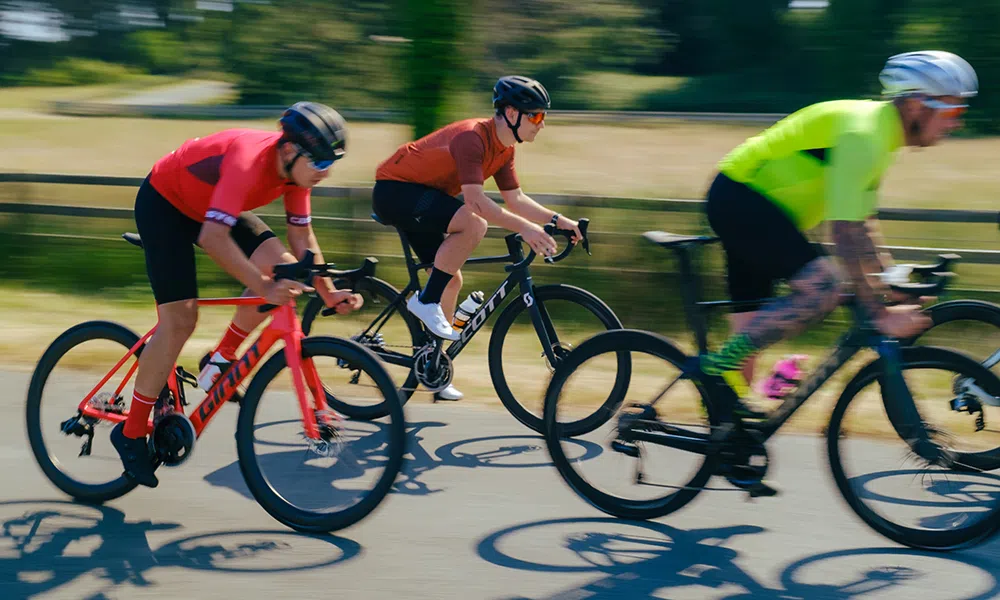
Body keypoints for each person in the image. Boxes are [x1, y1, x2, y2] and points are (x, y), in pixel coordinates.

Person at [699, 50, 978, 413]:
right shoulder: (865, 136)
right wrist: (878, 312)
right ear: (915, 104)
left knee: (746, 353)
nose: (957, 122)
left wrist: (890, 281)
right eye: (952, 110)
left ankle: (724, 438)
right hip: (743, 200)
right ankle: (712, 371)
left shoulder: (882, 134)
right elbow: (844, 233)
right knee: (826, 286)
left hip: (766, 215)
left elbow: (863, 225)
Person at [111, 101, 364, 488]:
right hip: (166, 203)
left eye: (330, 164)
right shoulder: (249, 160)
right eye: (318, 163)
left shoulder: (296, 176)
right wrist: (264, 287)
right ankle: (129, 433)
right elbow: (215, 238)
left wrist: (327, 293)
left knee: (285, 271)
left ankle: (219, 359)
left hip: (211, 205)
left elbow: (301, 238)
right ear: (290, 150)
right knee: (181, 320)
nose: (324, 173)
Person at [371, 75, 582, 401]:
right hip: (395, 192)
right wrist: (526, 228)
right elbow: (476, 203)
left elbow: (516, 200)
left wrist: (559, 221)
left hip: (423, 198)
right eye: (536, 116)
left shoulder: (504, 149)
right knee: (473, 225)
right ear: (511, 114)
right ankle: (425, 302)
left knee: (451, 281)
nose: (542, 124)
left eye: (544, 117)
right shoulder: (473, 139)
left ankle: (433, 368)